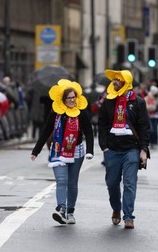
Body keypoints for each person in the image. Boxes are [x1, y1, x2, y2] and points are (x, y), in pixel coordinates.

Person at [30, 79, 94, 225]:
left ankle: (70, 212)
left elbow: (89, 133)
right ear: (63, 100)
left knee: (72, 183)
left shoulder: (81, 113)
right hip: (58, 151)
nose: (72, 100)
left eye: (74, 97)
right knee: (61, 181)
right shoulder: (56, 113)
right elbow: (46, 131)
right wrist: (36, 151)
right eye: (69, 98)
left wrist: (90, 151)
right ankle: (61, 209)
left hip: (76, 151)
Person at [98, 69, 150, 229]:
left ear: (125, 82)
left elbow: (144, 127)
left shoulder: (138, 102)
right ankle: (116, 208)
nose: (114, 82)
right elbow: (102, 124)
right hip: (112, 149)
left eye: (117, 80)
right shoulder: (108, 101)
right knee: (112, 183)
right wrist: (104, 146)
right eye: (113, 80)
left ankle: (129, 216)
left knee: (129, 183)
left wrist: (143, 150)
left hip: (131, 149)